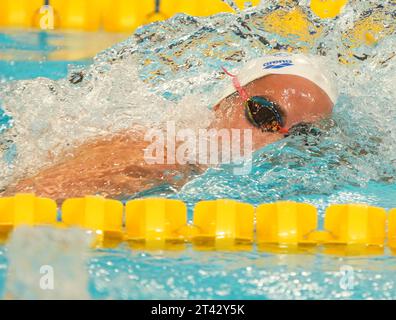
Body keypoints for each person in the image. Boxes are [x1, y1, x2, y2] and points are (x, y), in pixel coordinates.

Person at [3, 53, 338, 203]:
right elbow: (18, 202)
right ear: (225, 102)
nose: (271, 141)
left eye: (301, 135)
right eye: (263, 114)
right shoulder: (163, 153)